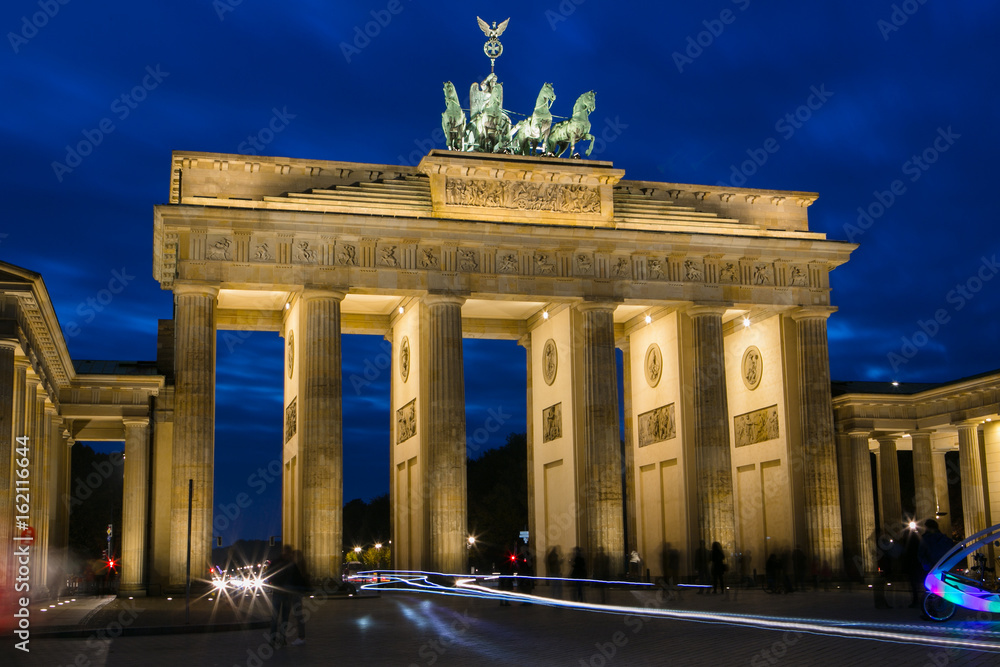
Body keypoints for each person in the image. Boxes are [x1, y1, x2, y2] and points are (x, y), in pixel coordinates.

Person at [267, 546, 307, 647]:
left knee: (278, 617)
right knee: (282, 618)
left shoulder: (276, 562)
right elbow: (298, 578)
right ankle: (280, 638)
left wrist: (273, 583)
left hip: (280, 593)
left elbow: (269, 574)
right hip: (285, 594)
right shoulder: (291, 564)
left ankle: (275, 639)